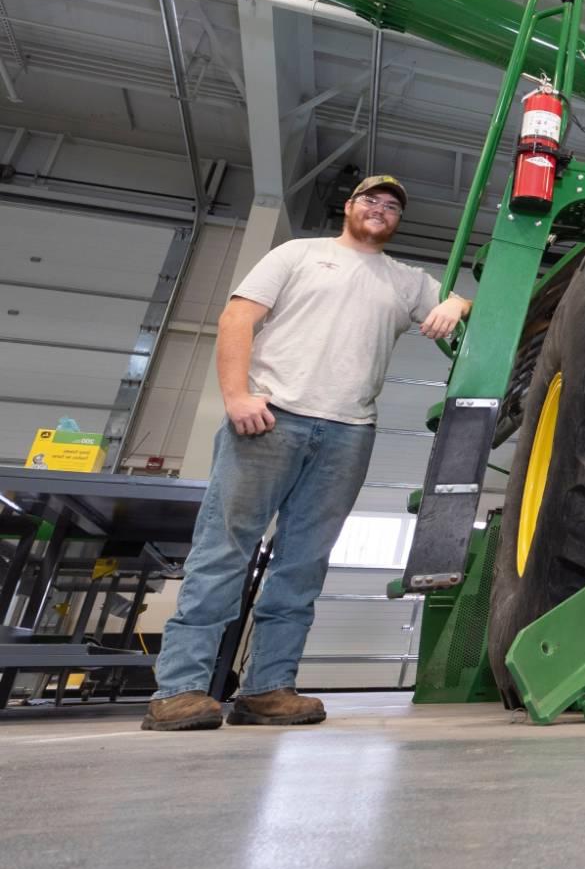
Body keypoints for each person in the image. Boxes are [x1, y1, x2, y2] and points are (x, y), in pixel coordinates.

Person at [143, 176, 472, 731]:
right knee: (224, 551)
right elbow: (236, 319)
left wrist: (458, 302)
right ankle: (178, 691)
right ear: (349, 207)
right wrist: (236, 396)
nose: (381, 210)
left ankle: (267, 688)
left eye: (392, 206)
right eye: (372, 199)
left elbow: (467, 304)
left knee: (302, 564)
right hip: (272, 420)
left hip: (349, 433)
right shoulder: (298, 254)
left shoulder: (405, 281)